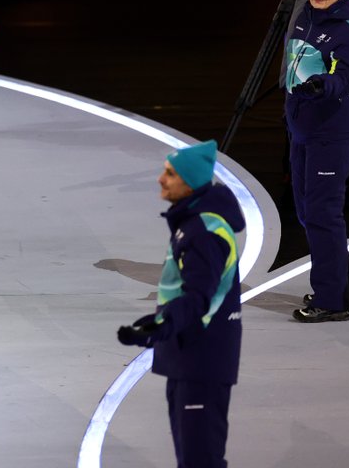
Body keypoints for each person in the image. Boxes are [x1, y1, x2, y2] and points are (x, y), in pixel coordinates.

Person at [116, 139, 244, 468]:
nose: (161, 179)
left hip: (202, 360)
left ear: (190, 184)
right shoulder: (195, 225)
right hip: (192, 357)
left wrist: (159, 327)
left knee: (200, 460)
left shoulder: (203, 233)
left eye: (170, 174)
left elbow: (198, 298)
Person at [283, 0, 349, 322]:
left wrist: (323, 86)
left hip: (330, 134)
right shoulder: (307, 16)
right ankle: (343, 288)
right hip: (303, 130)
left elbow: (347, 76)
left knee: (321, 214)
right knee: (308, 213)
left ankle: (331, 301)